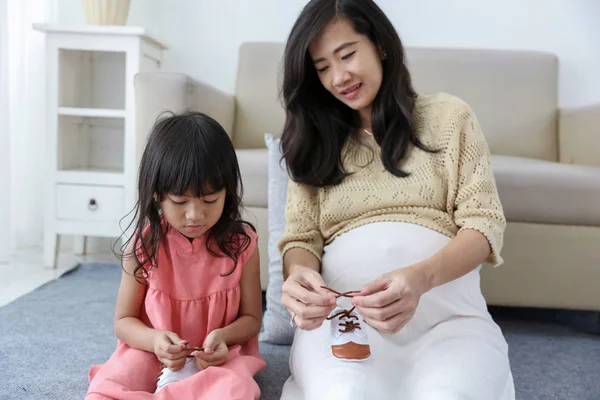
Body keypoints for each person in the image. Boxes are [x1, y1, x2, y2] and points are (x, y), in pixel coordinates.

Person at [277, 0, 515, 399]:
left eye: (347, 54)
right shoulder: (313, 142)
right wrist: (299, 276)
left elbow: (484, 224)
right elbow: (301, 238)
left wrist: (420, 279)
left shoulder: (448, 117)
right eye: (322, 68)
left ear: (381, 45)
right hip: (344, 323)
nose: (338, 77)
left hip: (448, 322)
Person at [86, 112, 266, 399]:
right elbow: (123, 322)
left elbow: (252, 319)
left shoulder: (242, 245)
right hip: (153, 351)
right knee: (110, 384)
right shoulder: (143, 245)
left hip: (219, 355)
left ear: (227, 192)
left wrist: (223, 337)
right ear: (157, 195)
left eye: (210, 200)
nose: (195, 215)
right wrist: (155, 340)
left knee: (237, 389)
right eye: (180, 202)